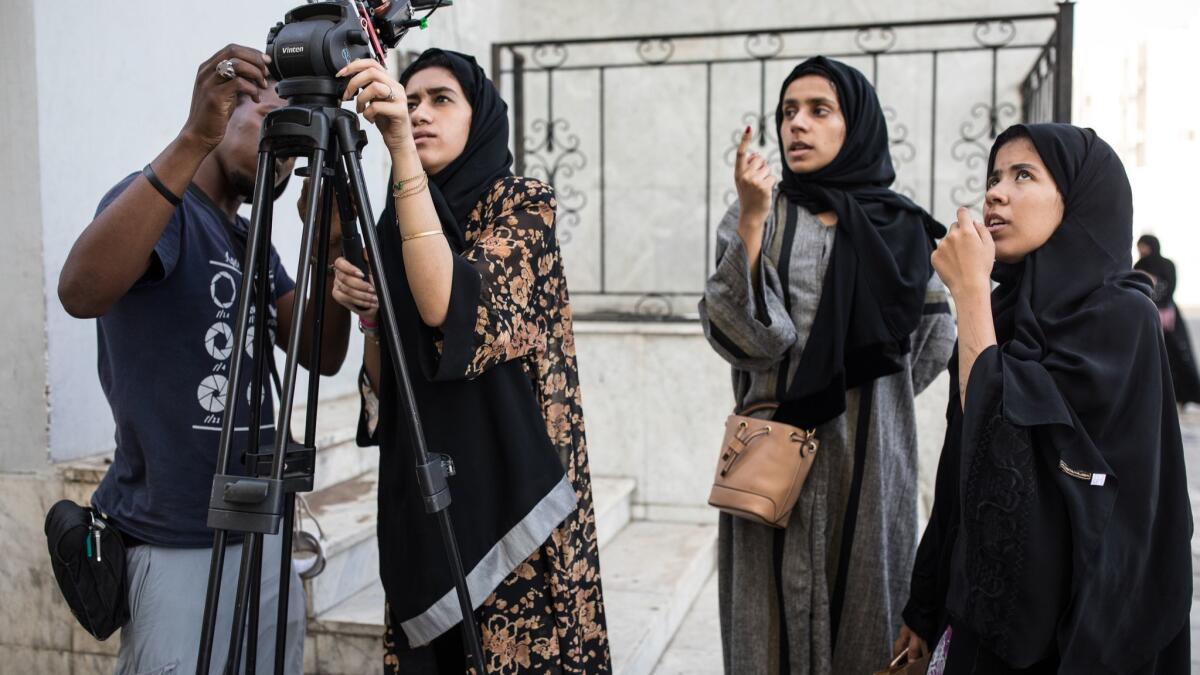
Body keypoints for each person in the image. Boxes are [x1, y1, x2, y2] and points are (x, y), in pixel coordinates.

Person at [57, 44, 351, 674]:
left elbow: (322, 353)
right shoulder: (162, 207)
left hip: (261, 526)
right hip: (176, 537)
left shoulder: (251, 240)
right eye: (273, 123)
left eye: (295, 146)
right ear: (226, 111)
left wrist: (323, 236)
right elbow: (81, 292)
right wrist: (192, 138)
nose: (284, 155)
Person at [328, 49, 611, 673]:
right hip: (425, 499)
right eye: (411, 98)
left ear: (478, 116)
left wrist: (400, 147)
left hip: (514, 508)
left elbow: (451, 310)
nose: (420, 111)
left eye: (440, 99)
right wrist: (372, 317)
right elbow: (387, 385)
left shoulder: (521, 206)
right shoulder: (395, 220)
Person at [897, 124, 1192, 674]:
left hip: (1069, 632)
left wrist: (968, 296)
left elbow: (1008, 452)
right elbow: (963, 470)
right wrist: (927, 601)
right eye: (993, 177)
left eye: (1023, 175)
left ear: (1079, 200)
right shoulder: (1007, 314)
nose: (995, 193)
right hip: (979, 615)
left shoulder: (1121, 318)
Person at [698, 56, 954, 674]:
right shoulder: (755, 213)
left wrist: (866, 403)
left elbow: (932, 339)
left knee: (866, 622)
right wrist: (755, 216)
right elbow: (751, 339)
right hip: (771, 463)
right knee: (767, 636)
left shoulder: (905, 227)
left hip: (870, 467)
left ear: (856, 124)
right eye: (788, 112)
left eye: (819, 110)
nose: (798, 126)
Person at [1135, 234, 1200, 406]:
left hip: (1165, 316)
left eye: (1142, 246)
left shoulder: (1162, 265)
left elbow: (1169, 287)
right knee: (1155, 355)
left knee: (1176, 354)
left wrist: (1155, 288)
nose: (1140, 250)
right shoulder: (1140, 265)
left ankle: (1183, 395)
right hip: (1154, 315)